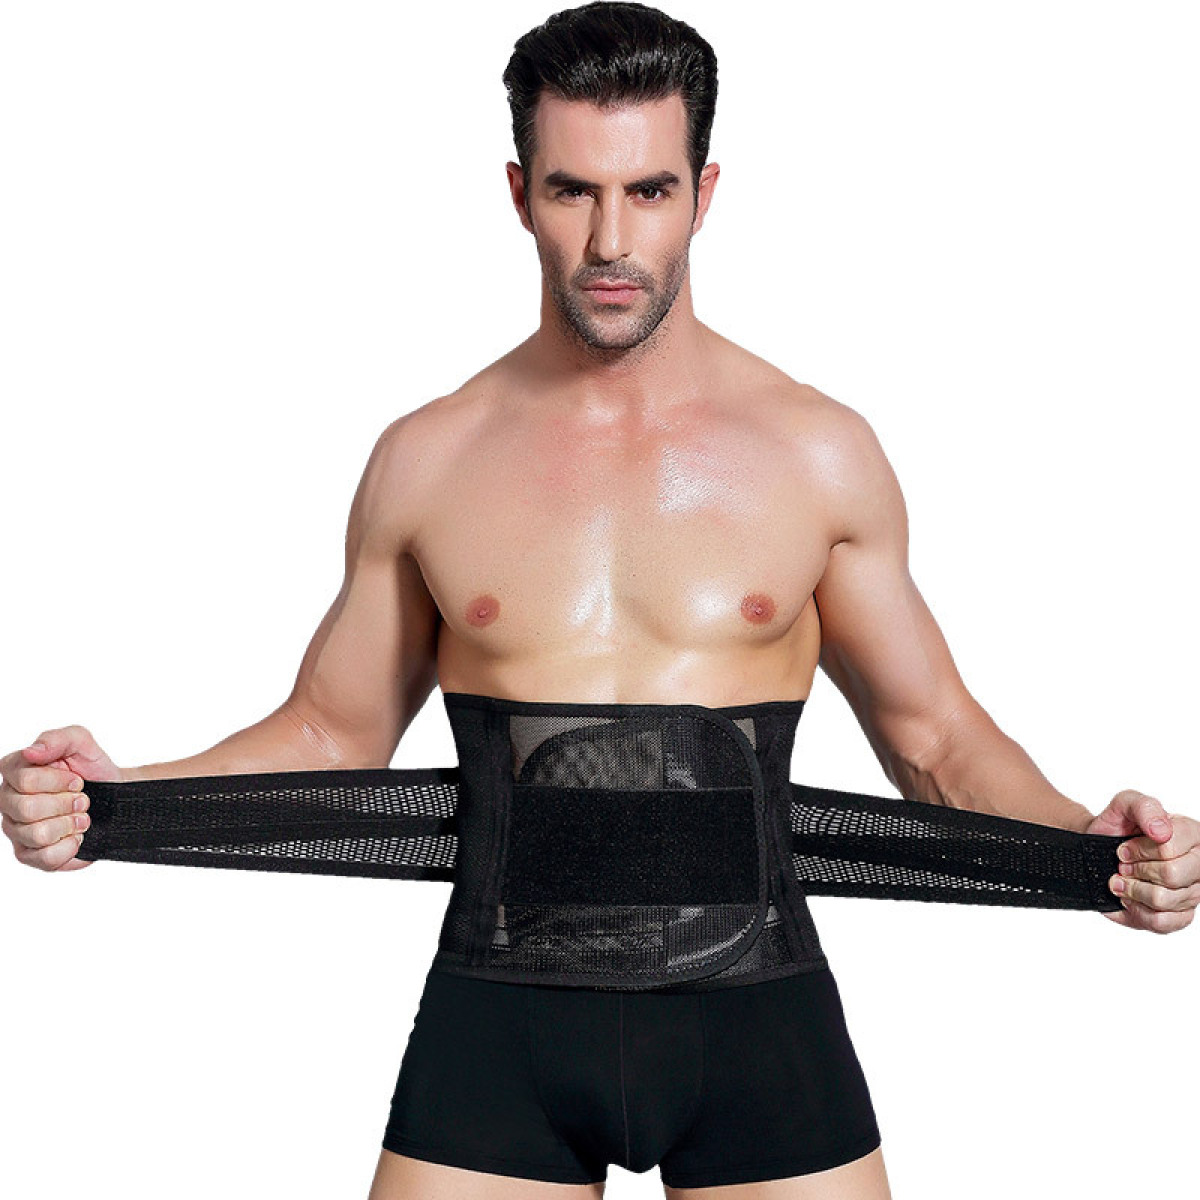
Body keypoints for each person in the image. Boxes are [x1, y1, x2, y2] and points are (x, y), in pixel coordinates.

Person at [3, 3, 1197, 1198]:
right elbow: (330, 734)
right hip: (499, 1026)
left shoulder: (817, 452)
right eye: (574, 192)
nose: (611, 240)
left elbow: (934, 738)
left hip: (758, 1023)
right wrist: (118, 797)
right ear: (519, 194)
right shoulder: (429, 459)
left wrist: (1083, 840)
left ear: (704, 194)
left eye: (650, 191)